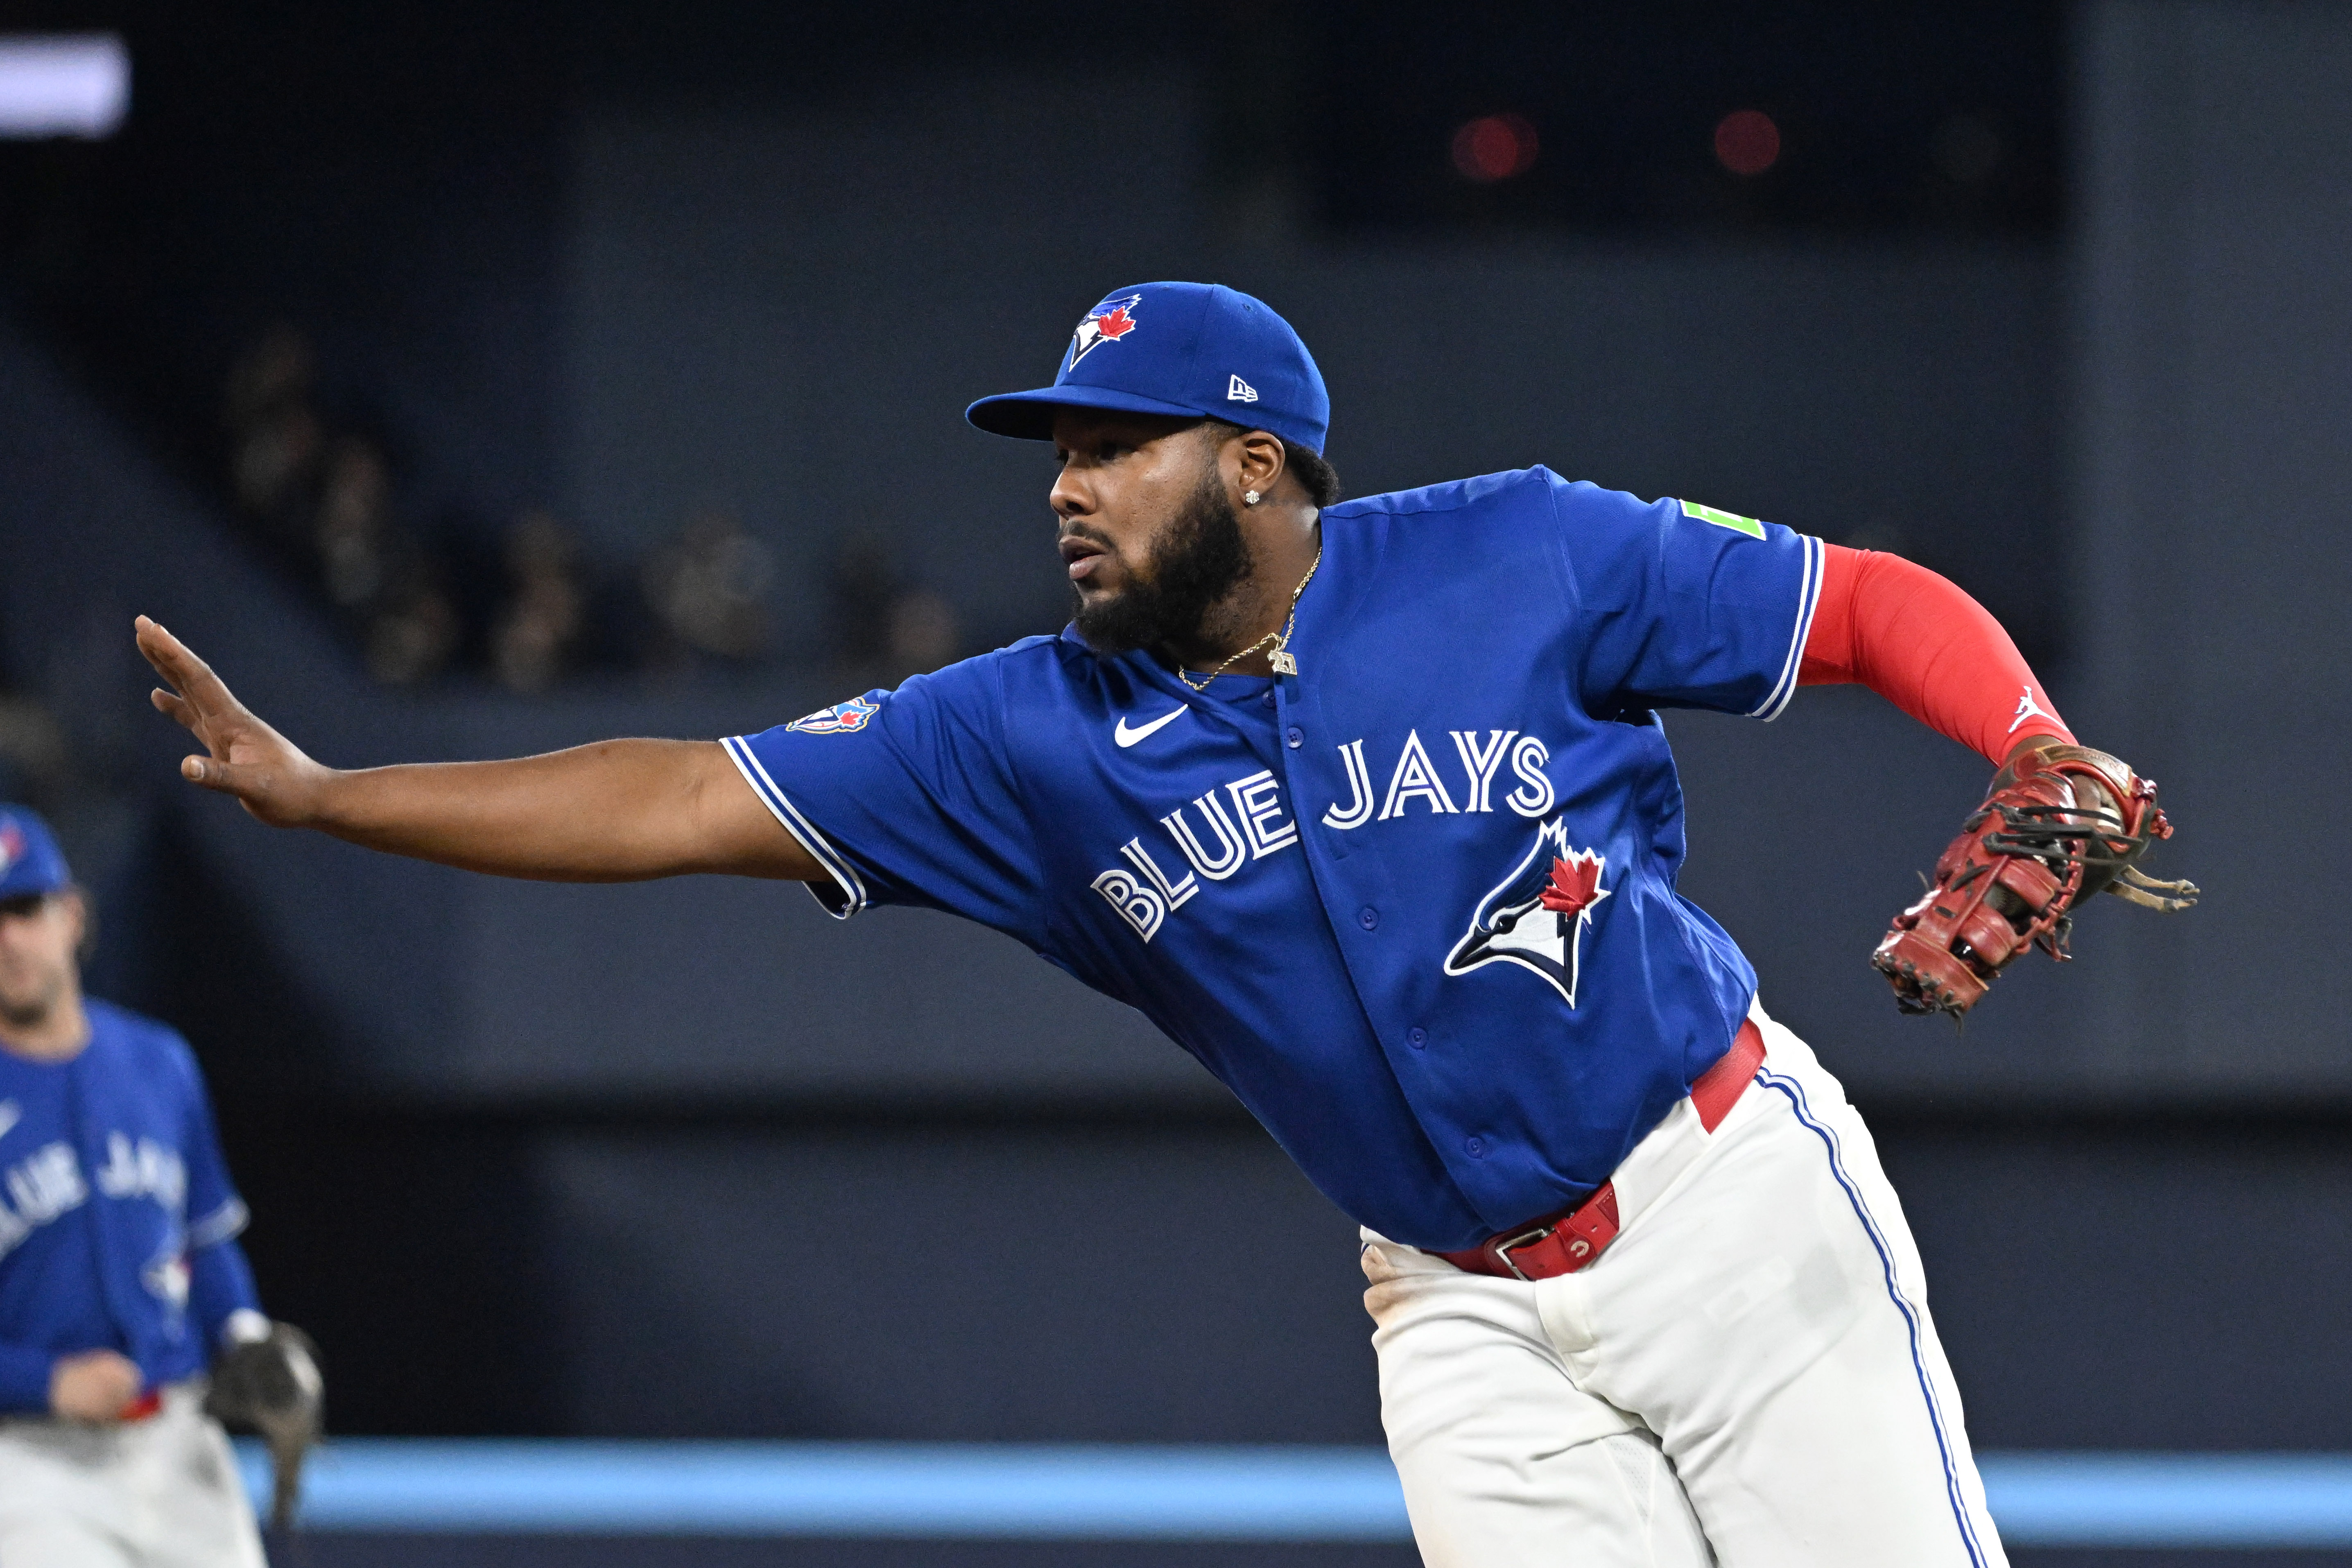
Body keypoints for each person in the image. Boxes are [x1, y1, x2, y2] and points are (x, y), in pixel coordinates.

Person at [133, 281, 2171, 1566]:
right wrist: (331, 794)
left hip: (1721, 1201)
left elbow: (1861, 602)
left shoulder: (1515, 553)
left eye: (1115, 443)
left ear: (1257, 460)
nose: (1068, 485)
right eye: (1057, 451)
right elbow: (675, 788)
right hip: (1456, 1309)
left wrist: (2036, 741)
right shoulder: (1025, 734)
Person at [0, 806, 282, 1566]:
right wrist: (44, 1380)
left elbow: (205, 1237)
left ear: (73, 915)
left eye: (23, 909)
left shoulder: (159, 1062)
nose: (9, 939)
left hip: (179, 1440)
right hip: (30, 1461)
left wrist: (251, 1341)